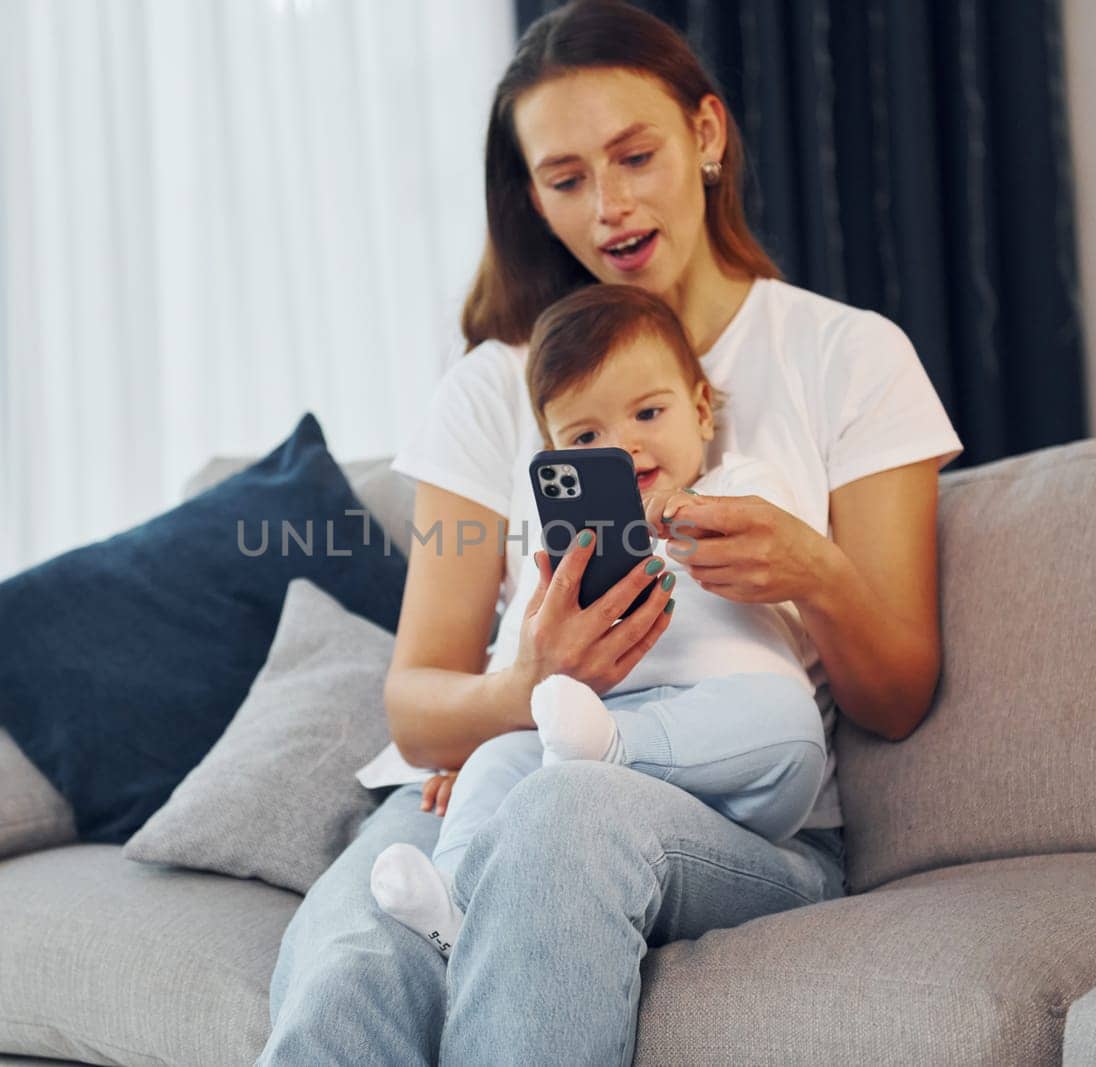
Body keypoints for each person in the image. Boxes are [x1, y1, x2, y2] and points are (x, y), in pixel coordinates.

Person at [260, 2, 963, 1063]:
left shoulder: (847, 357)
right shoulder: (492, 391)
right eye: (566, 178)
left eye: (635, 155)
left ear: (708, 136)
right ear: (531, 197)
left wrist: (812, 570)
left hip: (738, 817)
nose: (610, 207)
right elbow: (417, 706)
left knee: (565, 815)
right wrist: (521, 693)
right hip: (503, 769)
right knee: (352, 960)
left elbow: (899, 693)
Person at [368, 283, 831, 960]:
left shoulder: (742, 485)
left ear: (702, 410)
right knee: (495, 761)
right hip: (576, 748)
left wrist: (680, 514)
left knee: (789, 719)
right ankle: (454, 905)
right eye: (587, 436)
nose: (626, 448)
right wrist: (472, 756)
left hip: (724, 753)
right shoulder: (557, 545)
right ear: (553, 448)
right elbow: (524, 659)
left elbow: (774, 537)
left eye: (648, 413)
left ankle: (613, 745)